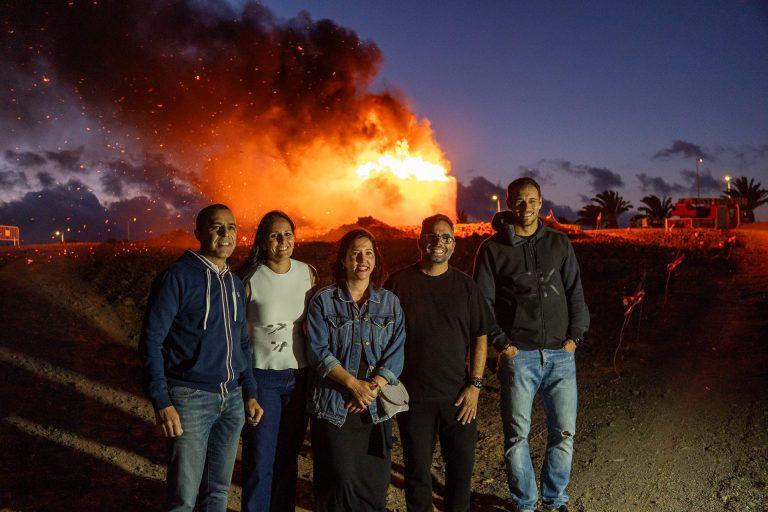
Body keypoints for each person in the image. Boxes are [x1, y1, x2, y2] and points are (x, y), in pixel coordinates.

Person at [474, 177, 589, 512]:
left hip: (560, 355)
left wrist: (575, 336)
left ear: (540, 202)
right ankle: (525, 503)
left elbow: (575, 291)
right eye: (519, 202)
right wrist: (502, 344)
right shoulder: (493, 249)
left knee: (564, 434)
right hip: (518, 355)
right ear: (510, 204)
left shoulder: (558, 242)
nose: (526, 208)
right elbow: (483, 302)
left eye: (532, 201)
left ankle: (555, 501)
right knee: (516, 437)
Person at [139, 204, 264, 512]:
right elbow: (151, 341)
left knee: (218, 492)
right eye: (216, 227)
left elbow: (242, 343)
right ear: (198, 233)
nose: (225, 234)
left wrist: (249, 392)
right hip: (190, 399)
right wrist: (162, 401)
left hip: (232, 400)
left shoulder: (234, 283)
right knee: (183, 498)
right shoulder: (177, 278)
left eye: (231, 227)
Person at [385, 214, 491, 512]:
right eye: (432, 235)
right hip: (412, 398)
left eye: (446, 237)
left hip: (457, 398)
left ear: (454, 245)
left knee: (460, 473)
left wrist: (476, 386)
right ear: (421, 241)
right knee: (417, 473)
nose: (438, 242)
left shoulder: (466, 287)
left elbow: (480, 335)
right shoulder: (399, 283)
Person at [306, 229, 406, 512]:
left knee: (373, 482)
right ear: (343, 260)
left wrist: (371, 387)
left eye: (369, 253)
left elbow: (396, 354)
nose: (363, 259)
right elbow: (317, 351)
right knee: (339, 480)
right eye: (355, 253)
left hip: (374, 408)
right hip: (336, 405)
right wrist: (354, 384)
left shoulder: (389, 303)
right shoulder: (324, 301)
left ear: (375, 260)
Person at [238, 210, 317, 512]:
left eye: (287, 234)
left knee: (287, 459)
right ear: (262, 240)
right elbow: (239, 338)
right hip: (263, 378)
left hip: (298, 378)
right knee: (260, 459)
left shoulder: (307, 273)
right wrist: (248, 388)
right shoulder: (250, 278)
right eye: (274, 235)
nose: (283, 241)